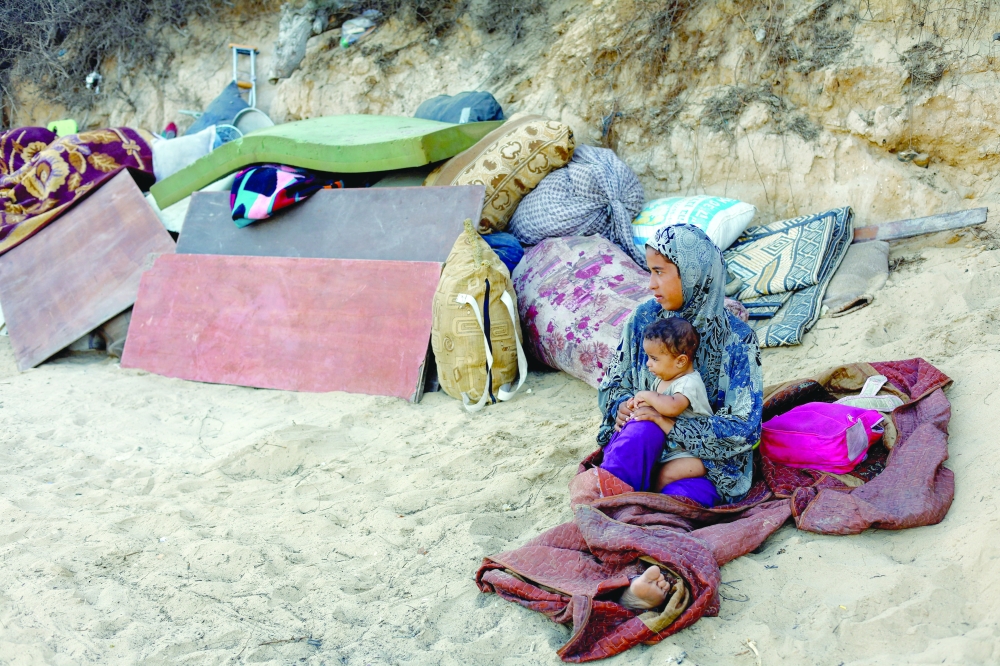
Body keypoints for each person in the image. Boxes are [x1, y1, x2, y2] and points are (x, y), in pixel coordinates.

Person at [596, 224, 764, 506]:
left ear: (691, 273)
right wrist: (623, 406)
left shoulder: (737, 339)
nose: (651, 284)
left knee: (678, 504)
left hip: (704, 464)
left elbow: (745, 428)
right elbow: (613, 384)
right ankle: (610, 502)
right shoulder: (644, 318)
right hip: (646, 446)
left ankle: (638, 513)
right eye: (649, 271)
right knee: (640, 427)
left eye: (659, 272)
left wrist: (670, 425)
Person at [600, 317, 714, 494]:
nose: (648, 363)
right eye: (647, 357)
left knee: (664, 475)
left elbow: (672, 407)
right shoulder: (661, 381)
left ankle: (653, 499)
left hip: (691, 453)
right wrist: (635, 405)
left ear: (680, 361)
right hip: (670, 449)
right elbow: (654, 407)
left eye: (654, 358)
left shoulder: (689, 383)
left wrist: (646, 395)